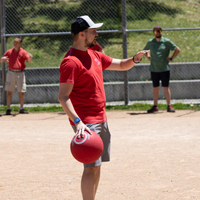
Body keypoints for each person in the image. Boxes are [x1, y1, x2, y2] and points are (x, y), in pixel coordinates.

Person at [58, 15, 149, 200]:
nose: (96, 34)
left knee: (97, 166)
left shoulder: (95, 55)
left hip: (101, 118)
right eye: (93, 31)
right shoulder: (71, 62)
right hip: (86, 122)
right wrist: (78, 122)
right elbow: (63, 96)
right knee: (90, 167)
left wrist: (135, 58)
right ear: (82, 34)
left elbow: (122, 65)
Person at [143, 26, 180, 113]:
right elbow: (144, 51)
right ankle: (155, 106)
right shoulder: (151, 42)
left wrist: (171, 58)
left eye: (159, 31)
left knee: (166, 87)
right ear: (153, 33)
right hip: (154, 69)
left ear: (161, 32)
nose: (158, 33)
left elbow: (177, 49)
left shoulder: (166, 41)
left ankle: (169, 106)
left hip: (164, 69)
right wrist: (148, 57)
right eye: (156, 32)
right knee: (155, 88)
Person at [0, 37, 32, 115]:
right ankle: (8, 109)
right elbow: (1, 60)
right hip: (11, 72)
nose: (15, 43)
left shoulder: (23, 52)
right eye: (14, 42)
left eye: (17, 42)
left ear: (20, 43)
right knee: (10, 91)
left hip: (20, 73)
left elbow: (29, 61)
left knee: (21, 91)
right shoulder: (9, 51)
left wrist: (30, 57)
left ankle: (21, 108)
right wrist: (2, 59)